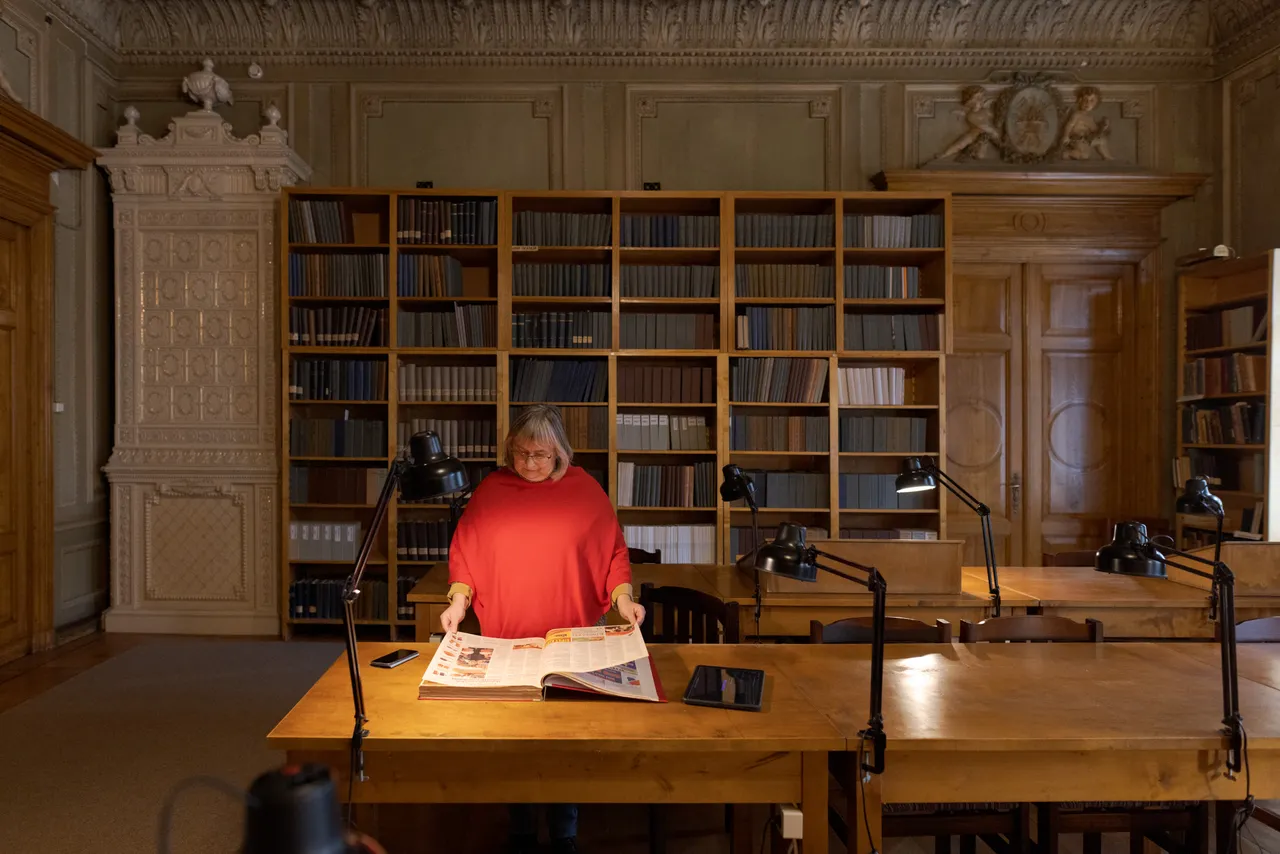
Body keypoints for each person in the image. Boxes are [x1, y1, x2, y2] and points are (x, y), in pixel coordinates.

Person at [440, 404, 646, 854]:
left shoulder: (585, 489)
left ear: (560, 452)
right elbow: (466, 552)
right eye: (521, 453)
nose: (530, 463)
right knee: (516, 739)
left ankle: (565, 830)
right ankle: (520, 827)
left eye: (541, 454)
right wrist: (458, 601)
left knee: (566, 739)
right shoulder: (492, 490)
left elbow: (612, 552)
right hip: (508, 637)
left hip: (571, 638)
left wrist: (624, 599)